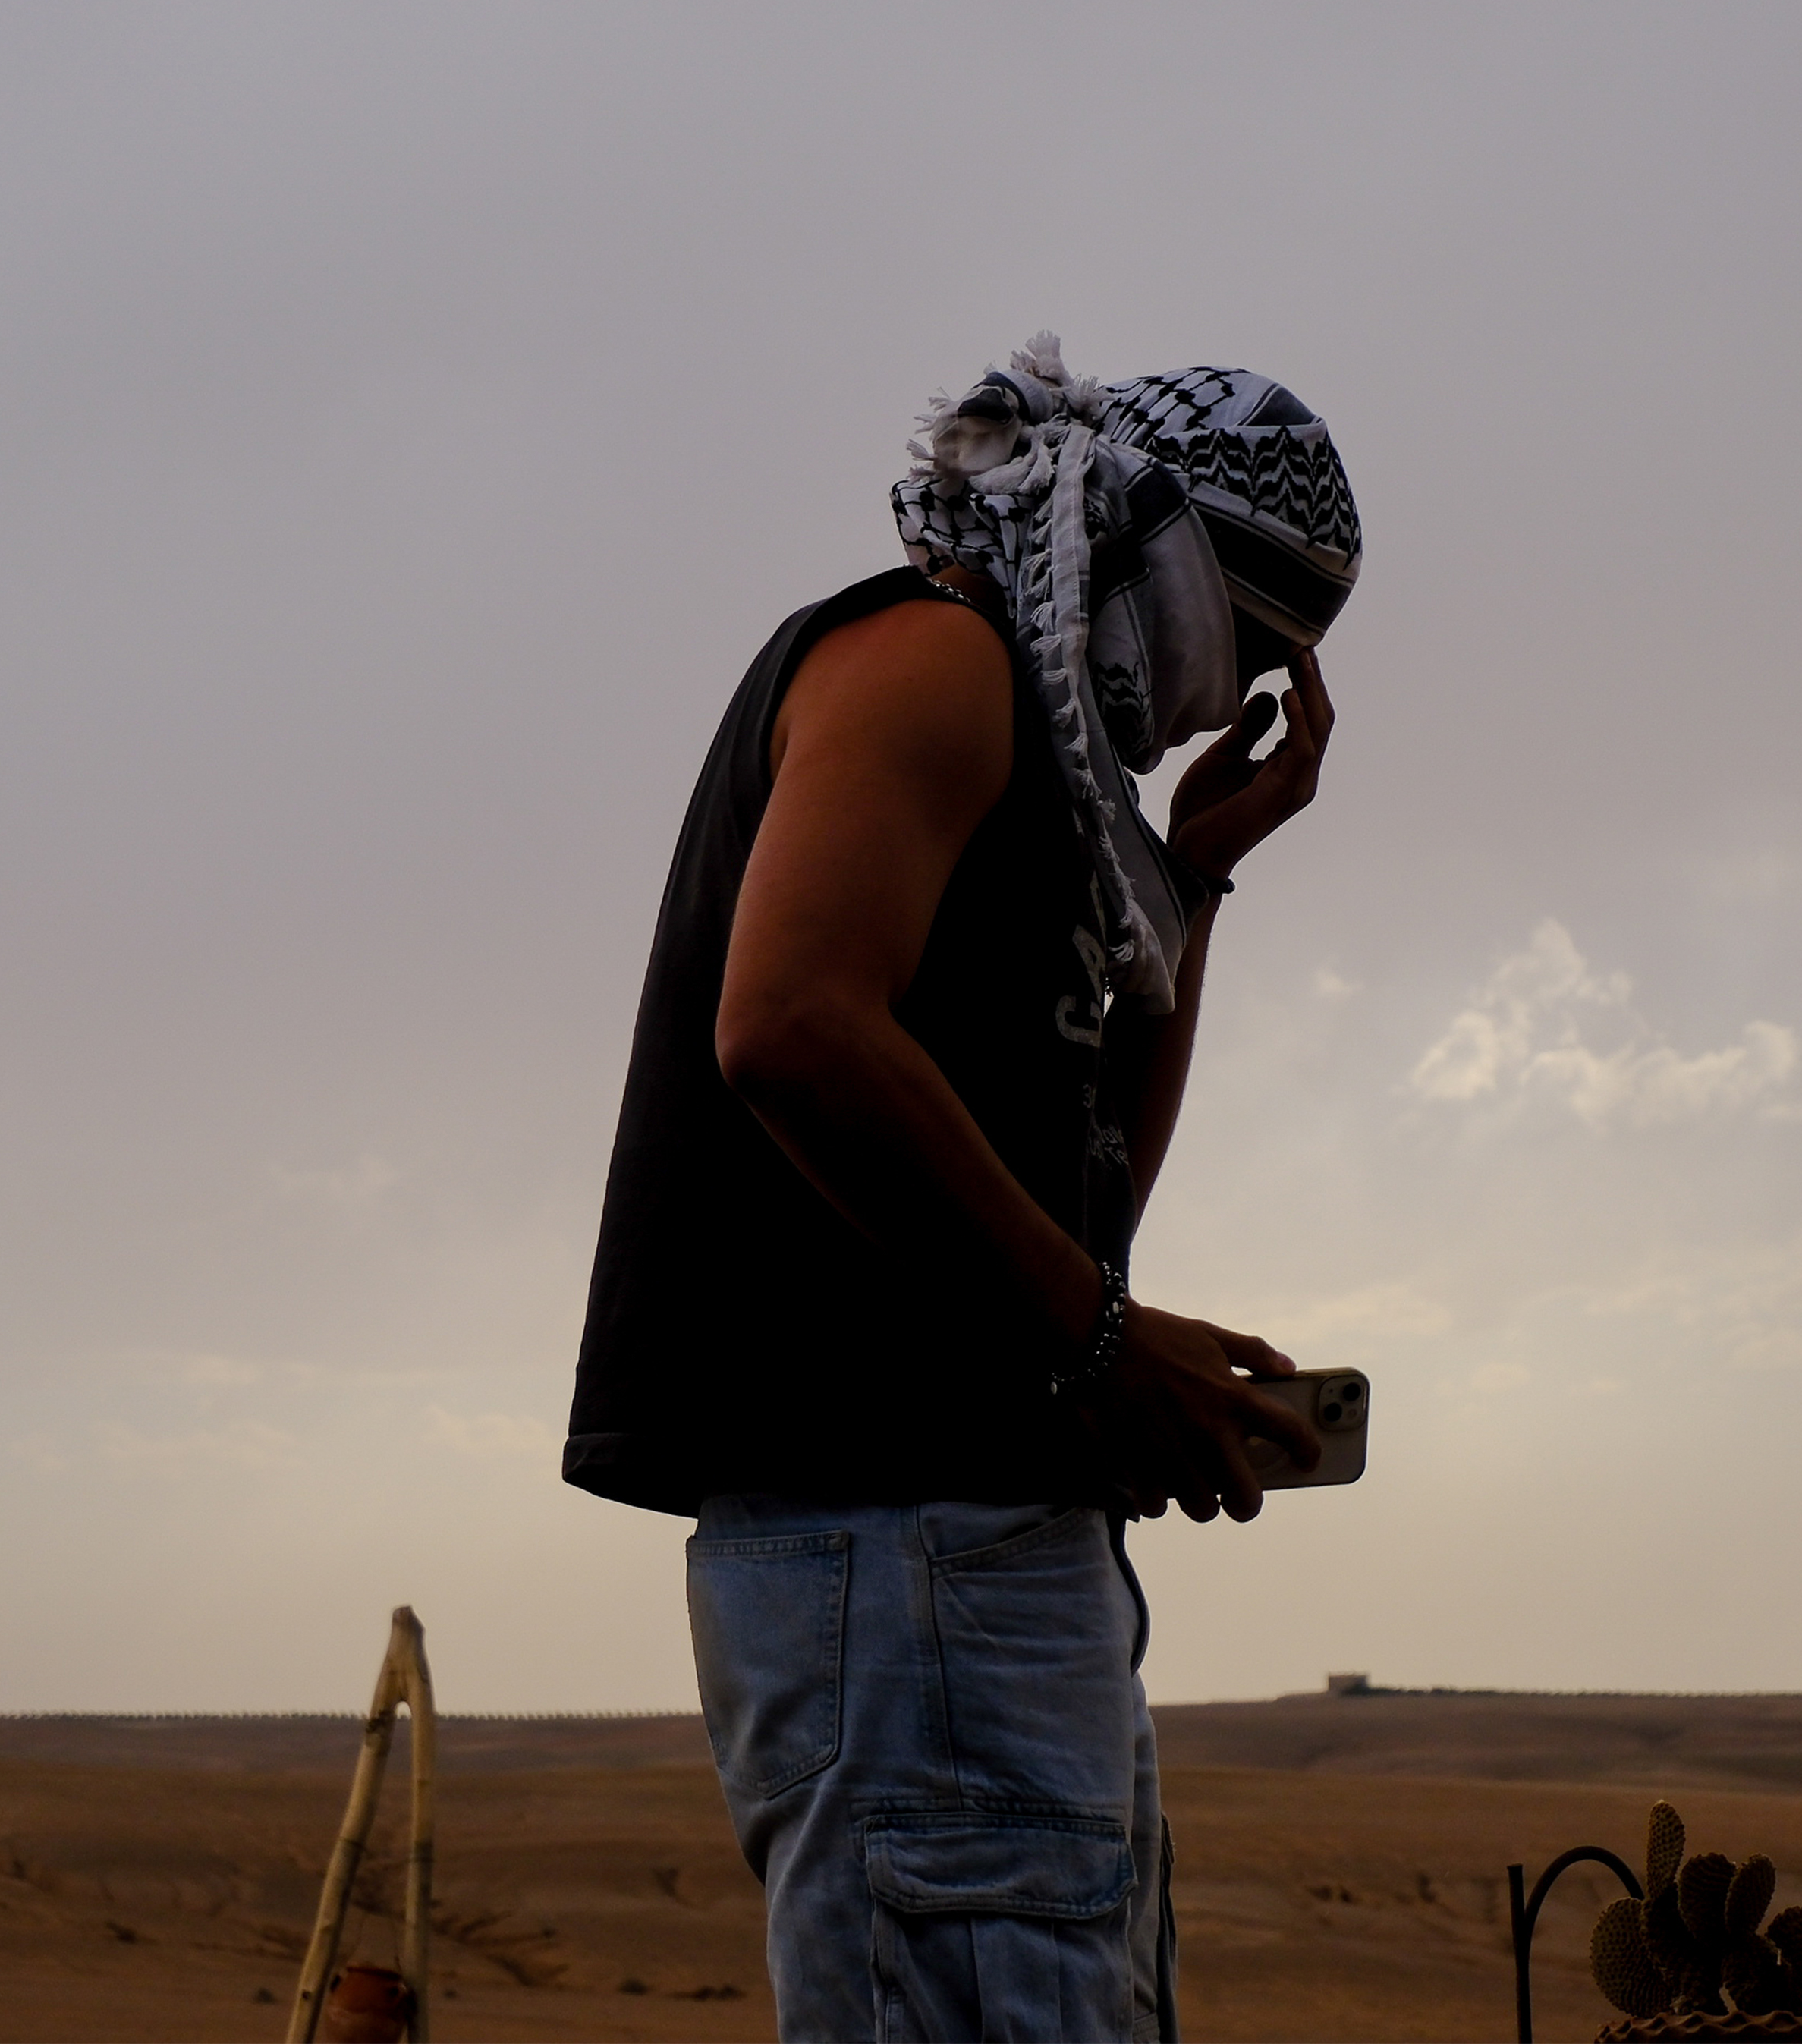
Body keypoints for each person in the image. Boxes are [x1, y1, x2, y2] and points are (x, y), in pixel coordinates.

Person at [565, 336, 1362, 2043]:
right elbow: (785, 1026)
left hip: (967, 1563)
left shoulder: (1064, 788)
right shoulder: (935, 663)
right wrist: (1098, 1347)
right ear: (1164, 551)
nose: (1233, 704)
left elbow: (1090, 1220)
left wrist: (1193, 879)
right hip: (904, 1552)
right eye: (1261, 644)